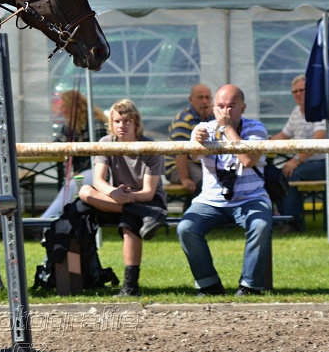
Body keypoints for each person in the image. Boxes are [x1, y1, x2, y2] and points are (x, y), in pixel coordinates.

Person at [177, 84, 273, 297]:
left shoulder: (257, 128)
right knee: (185, 228)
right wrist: (197, 142)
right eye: (220, 106)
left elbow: (248, 160)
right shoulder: (204, 129)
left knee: (260, 225)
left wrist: (227, 128)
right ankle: (208, 284)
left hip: (251, 198)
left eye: (231, 106)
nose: (225, 111)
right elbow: (192, 157)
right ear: (213, 107)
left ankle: (250, 286)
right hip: (210, 200)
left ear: (243, 108)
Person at [76, 99, 168, 297]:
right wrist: (113, 192)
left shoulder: (151, 147)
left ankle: (130, 286)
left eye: (127, 121)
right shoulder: (106, 143)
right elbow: (99, 181)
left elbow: (149, 192)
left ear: (136, 123)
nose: (121, 126)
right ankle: (83, 276)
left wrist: (127, 196)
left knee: (129, 225)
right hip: (122, 199)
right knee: (84, 192)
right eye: (117, 121)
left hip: (148, 201)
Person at [271, 74, 329, 232]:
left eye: (302, 90)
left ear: (311, 91)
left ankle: (293, 222)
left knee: (291, 172)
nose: (298, 94)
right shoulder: (297, 112)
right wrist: (264, 144)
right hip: (308, 164)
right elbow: (284, 135)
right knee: (274, 175)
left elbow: (318, 139)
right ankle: (284, 218)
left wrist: (296, 160)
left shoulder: (321, 110)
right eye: (295, 91)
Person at [41, 89, 108, 219]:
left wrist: (79, 173)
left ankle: (44, 222)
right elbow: (57, 145)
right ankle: (51, 222)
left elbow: (100, 155)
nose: (61, 110)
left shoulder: (95, 124)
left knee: (70, 186)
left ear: (74, 107)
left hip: (100, 171)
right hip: (83, 172)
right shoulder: (70, 126)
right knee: (70, 186)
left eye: (64, 106)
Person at [165, 83, 213, 196]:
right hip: (177, 166)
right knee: (203, 180)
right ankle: (193, 212)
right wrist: (184, 178)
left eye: (207, 97)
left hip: (198, 162)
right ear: (191, 100)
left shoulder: (212, 117)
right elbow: (180, 151)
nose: (205, 102)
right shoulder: (184, 119)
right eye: (200, 98)